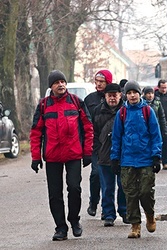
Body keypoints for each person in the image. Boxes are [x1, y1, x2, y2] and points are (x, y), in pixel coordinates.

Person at [30, 70, 94, 241]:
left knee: (74, 188)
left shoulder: (76, 102)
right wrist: (36, 157)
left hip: (74, 155)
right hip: (52, 157)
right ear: (51, 86)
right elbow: (36, 132)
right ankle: (60, 228)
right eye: (57, 82)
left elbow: (88, 127)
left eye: (63, 81)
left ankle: (74, 220)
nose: (61, 85)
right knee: (54, 194)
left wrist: (88, 152)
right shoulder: (44, 105)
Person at [110, 80, 162, 239]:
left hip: (146, 159)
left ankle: (150, 215)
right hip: (127, 160)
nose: (132, 95)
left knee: (146, 192)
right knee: (130, 194)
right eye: (129, 93)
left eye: (135, 92)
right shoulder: (122, 113)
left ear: (139, 94)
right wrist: (114, 158)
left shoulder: (147, 111)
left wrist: (156, 156)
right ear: (126, 95)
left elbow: (155, 135)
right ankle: (135, 225)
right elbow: (117, 137)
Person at [92, 83, 128, 227]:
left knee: (123, 185)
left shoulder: (126, 110)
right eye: (109, 95)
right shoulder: (97, 111)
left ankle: (124, 212)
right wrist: (97, 149)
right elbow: (92, 132)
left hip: (123, 154)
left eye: (115, 95)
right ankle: (108, 214)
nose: (112, 98)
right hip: (104, 154)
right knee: (107, 186)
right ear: (105, 97)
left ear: (120, 95)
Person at [84, 69, 113, 217]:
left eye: (102, 81)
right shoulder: (89, 99)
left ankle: (106, 208)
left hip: (111, 144)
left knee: (108, 177)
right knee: (96, 173)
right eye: (97, 81)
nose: (99, 84)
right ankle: (93, 201)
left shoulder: (114, 98)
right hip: (95, 144)